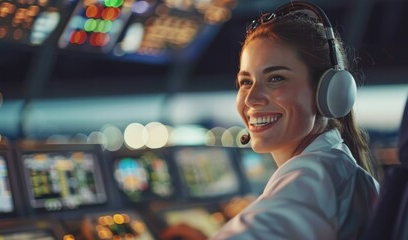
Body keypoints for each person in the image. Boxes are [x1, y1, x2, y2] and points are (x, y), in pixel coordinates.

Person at [161, 1, 379, 239]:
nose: (252, 98)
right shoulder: (335, 166)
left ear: (329, 93)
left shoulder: (313, 177)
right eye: (246, 82)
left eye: (276, 78)